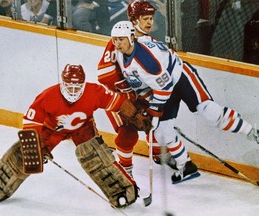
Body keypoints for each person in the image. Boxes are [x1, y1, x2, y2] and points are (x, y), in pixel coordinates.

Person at [110, 20, 259, 184]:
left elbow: (164, 88)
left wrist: (153, 112)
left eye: (121, 39)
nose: (117, 43)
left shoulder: (145, 61)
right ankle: (185, 166)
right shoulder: (119, 53)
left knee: (209, 112)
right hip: (163, 86)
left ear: (131, 38)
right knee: (162, 133)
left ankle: (253, 132)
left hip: (181, 77)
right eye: (115, 39)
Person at [0, 64, 140, 208]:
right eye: (69, 87)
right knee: (25, 155)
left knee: (94, 154)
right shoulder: (48, 95)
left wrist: (136, 114)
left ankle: (122, 190)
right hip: (52, 129)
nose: (73, 92)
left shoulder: (94, 91)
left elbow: (118, 102)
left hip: (82, 128)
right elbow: (31, 119)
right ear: (62, 83)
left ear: (83, 84)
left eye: (77, 87)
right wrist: (35, 145)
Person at [97, 0, 176, 178]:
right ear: (133, 20)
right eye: (145, 18)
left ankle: (158, 153)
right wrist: (130, 96)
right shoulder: (120, 38)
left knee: (154, 122)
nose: (150, 22)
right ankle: (125, 170)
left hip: (140, 95)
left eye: (151, 18)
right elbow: (104, 75)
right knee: (128, 134)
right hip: (119, 97)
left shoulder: (151, 42)